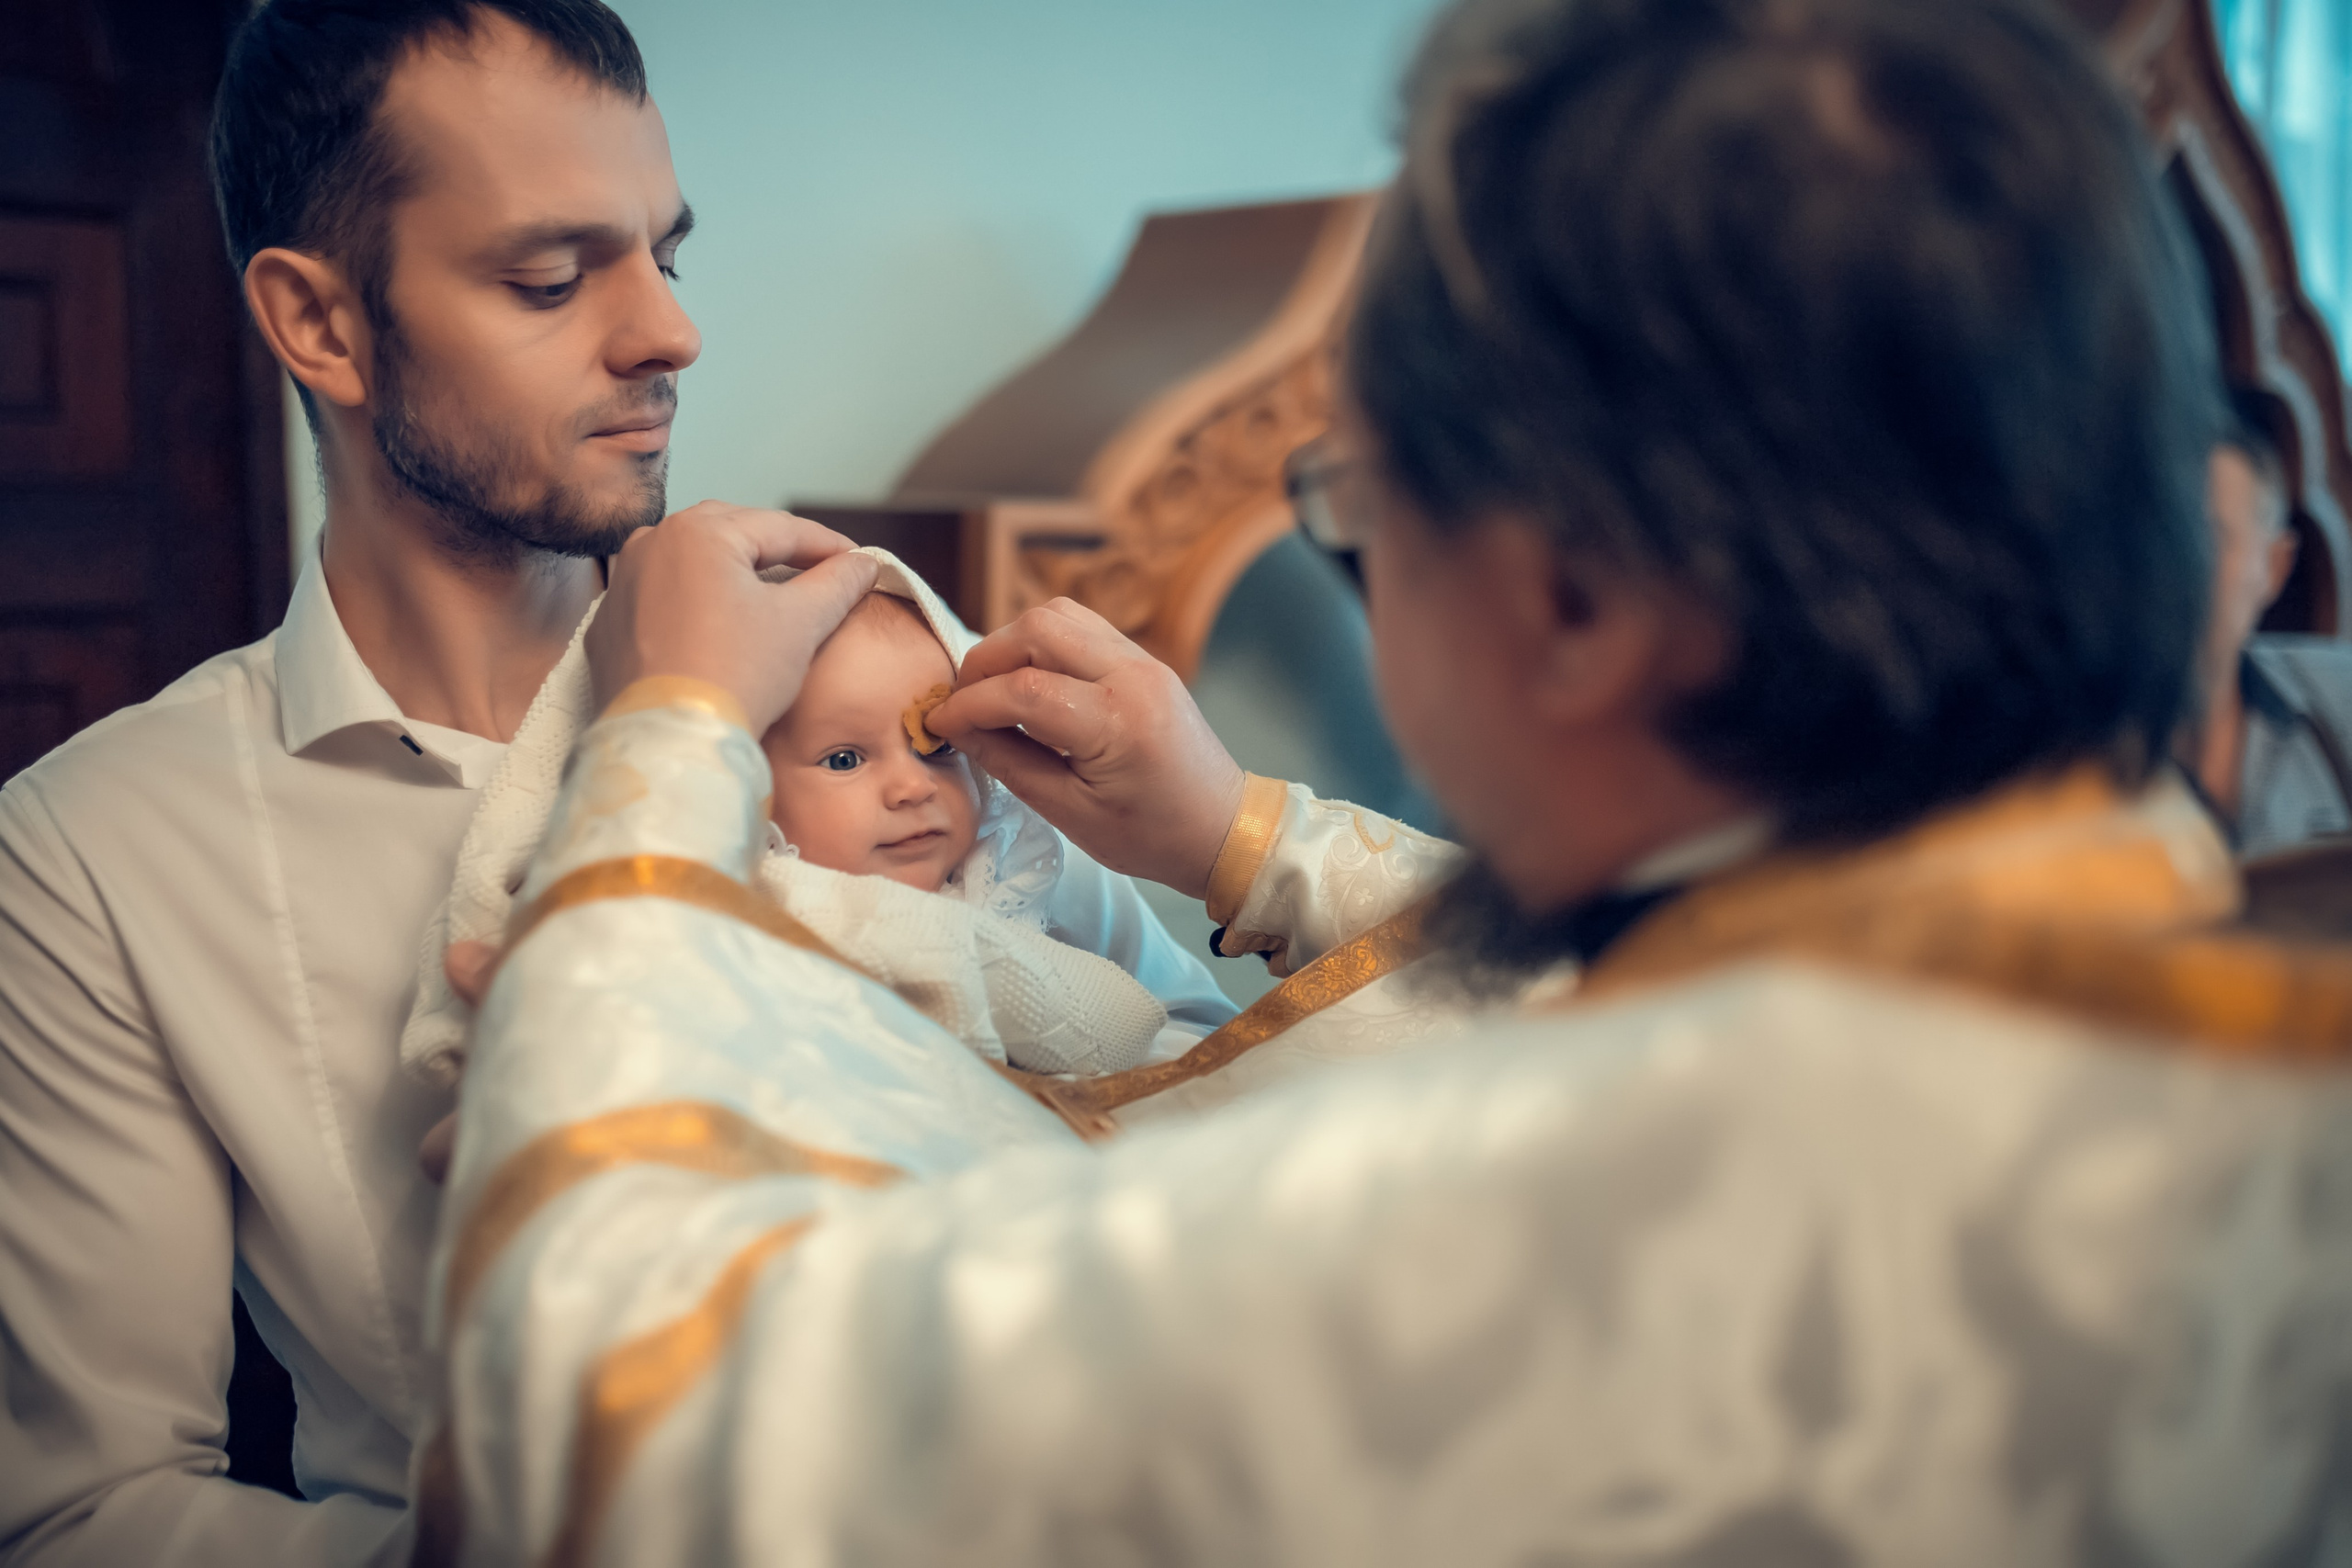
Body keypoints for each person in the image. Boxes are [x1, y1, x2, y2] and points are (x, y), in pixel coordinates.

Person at [420, 0, 2352, 1562]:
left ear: (1574, 600)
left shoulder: (1476, 1247)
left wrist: (661, 760)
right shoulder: (2218, 1024)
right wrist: (1224, 832)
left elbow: (641, 1419)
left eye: (1361, 513)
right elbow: (1616, 979)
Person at [0, 3, 1199, 1562]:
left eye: (665, 254)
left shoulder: (867, 654)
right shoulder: (94, 852)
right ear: (322, 326)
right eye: (551, 278)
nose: (669, 334)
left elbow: (1191, 1069)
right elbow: (87, 1511)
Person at [401, 548, 1236, 1111]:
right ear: (741, 789)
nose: (911, 788)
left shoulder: (1014, 872)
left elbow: (1143, 1026)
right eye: (843, 760)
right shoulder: (759, 902)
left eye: (936, 746)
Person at [2182, 400, 2352, 857]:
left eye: (2211, 538)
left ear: (2275, 567)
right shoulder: (2068, 754)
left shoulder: (2339, 700)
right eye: (2166, 535)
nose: (2180, 568)